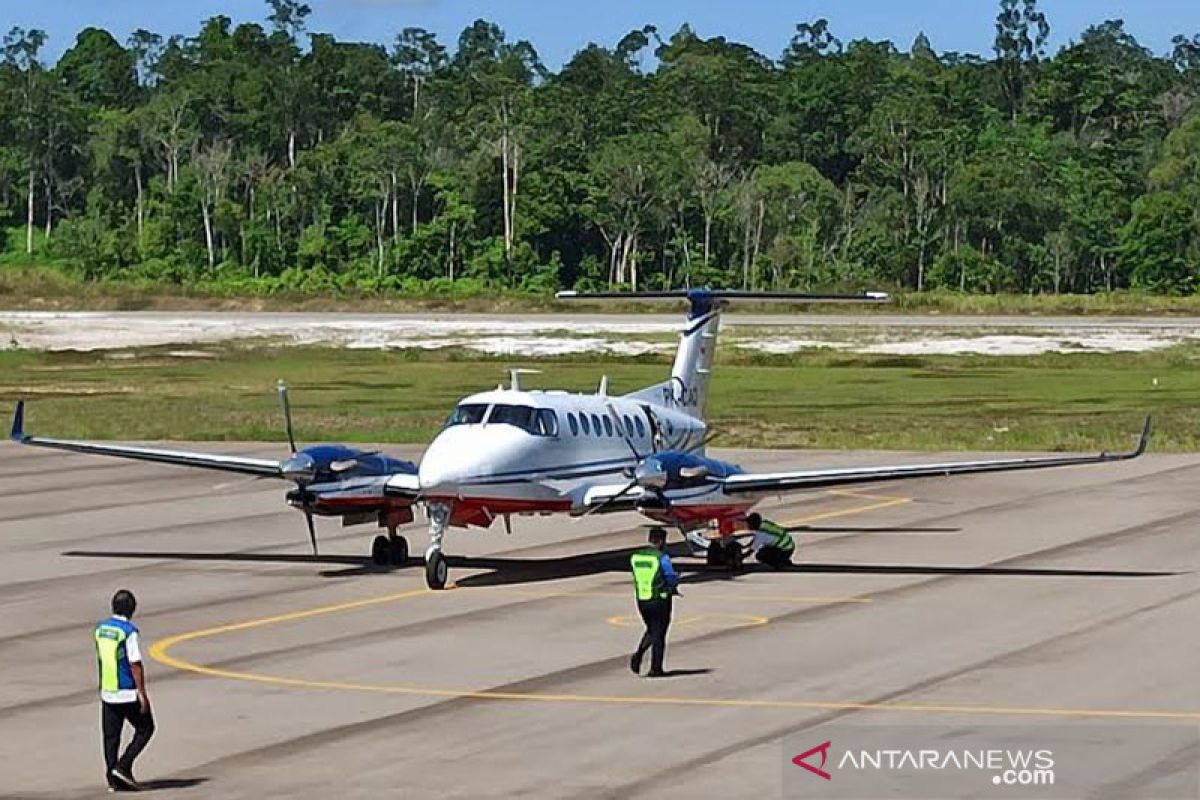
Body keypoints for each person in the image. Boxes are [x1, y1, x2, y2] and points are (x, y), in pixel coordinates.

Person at [95, 589, 155, 791]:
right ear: (132, 609)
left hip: (107, 690)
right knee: (146, 728)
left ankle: (113, 779)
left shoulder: (100, 629)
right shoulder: (128, 631)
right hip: (126, 690)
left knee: (111, 737)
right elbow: (135, 662)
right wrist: (142, 692)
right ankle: (123, 765)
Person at [629, 527, 679, 677]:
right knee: (659, 633)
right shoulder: (661, 557)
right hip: (659, 598)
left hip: (642, 599)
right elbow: (670, 575)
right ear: (662, 541)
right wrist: (673, 585)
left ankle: (639, 654)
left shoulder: (636, 557)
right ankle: (655, 668)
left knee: (652, 629)